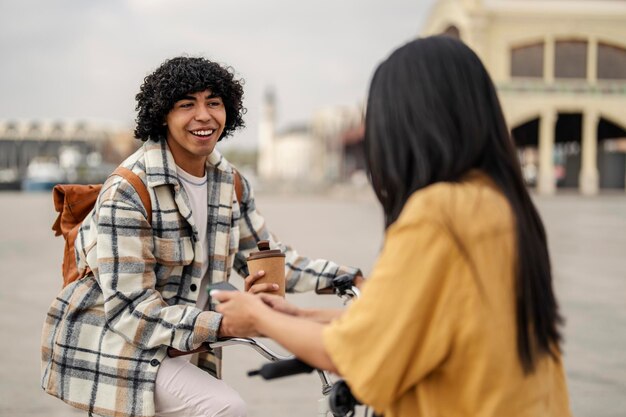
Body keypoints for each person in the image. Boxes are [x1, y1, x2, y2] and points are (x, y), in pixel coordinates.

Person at [213, 36, 573, 417]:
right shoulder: (500, 202)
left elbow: (361, 354)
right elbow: (407, 322)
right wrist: (294, 316)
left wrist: (256, 316)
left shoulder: (438, 214)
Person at [40, 56, 362, 417]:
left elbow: (268, 257)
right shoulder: (129, 190)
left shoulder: (229, 181)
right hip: (118, 349)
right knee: (225, 406)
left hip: (183, 345)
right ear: (163, 114)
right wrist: (227, 323)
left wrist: (347, 277)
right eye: (186, 104)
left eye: (213, 102)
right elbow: (131, 309)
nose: (204, 115)